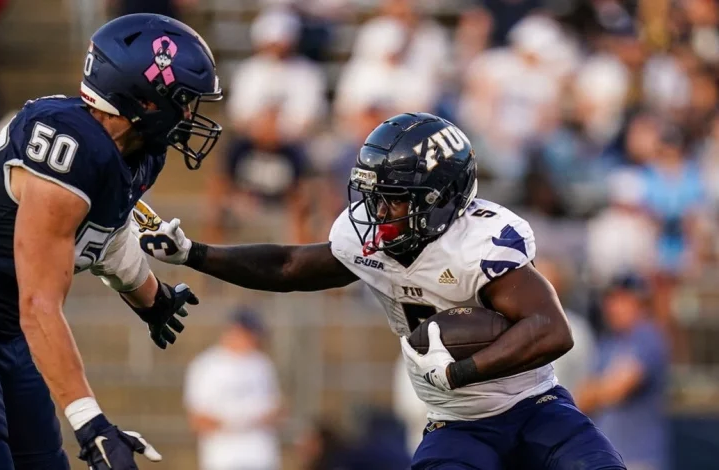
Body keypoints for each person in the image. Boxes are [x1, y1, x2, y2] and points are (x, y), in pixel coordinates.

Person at [137, 113, 626, 469]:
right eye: (374, 198)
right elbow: (289, 266)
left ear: (439, 199)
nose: (377, 213)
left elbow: (552, 330)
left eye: (393, 200)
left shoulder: (481, 241)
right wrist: (194, 253)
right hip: (456, 423)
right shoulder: (369, 240)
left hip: (534, 406)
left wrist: (460, 369)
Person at [0, 13, 222, 470]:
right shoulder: (66, 142)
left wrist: (152, 299)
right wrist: (91, 425)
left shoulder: (136, 153)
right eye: (183, 101)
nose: (190, 115)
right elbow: (39, 303)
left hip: (5, 330)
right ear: (142, 99)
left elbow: (107, 238)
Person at [575, 275, 670, 470]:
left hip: (639, 459)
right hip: (608, 456)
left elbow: (616, 389)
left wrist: (596, 391)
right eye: (610, 300)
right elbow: (582, 398)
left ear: (639, 303)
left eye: (621, 300)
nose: (613, 307)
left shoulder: (647, 336)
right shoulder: (608, 343)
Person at [184, 308, 282, 470]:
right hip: (223, 459)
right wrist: (237, 421)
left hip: (261, 457)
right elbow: (197, 420)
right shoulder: (206, 366)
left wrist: (253, 418)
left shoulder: (262, 364)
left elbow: (276, 410)